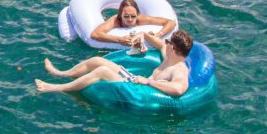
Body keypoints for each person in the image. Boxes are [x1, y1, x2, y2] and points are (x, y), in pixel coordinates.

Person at [35, 29, 193, 96]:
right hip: (135, 80)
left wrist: (149, 82)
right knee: (97, 60)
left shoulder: (179, 69)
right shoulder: (169, 55)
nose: (166, 44)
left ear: (173, 47)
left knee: (102, 71)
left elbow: (178, 90)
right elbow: (157, 42)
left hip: (141, 90)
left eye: (169, 42)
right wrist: (141, 36)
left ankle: (56, 88)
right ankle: (60, 73)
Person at [88, 0, 176, 47]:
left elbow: (171, 22)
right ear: (120, 15)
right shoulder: (115, 21)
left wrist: (158, 35)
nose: (130, 20)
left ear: (137, 14)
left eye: (133, 16)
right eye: (126, 16)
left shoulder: (141, 19)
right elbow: (95, 34)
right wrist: (118, 39)